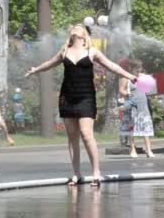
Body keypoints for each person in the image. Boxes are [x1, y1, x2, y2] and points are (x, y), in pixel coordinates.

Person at [25, 24, 136, 186]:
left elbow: (112, 65)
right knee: (72, 137)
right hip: (67, 97)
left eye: (78, 27)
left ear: (84, 34)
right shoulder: (64, 51)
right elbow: (49, 63)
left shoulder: (92, 51)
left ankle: (96, 172)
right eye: (73, 28)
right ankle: (76, 173)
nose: (75, 28)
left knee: (86, 134)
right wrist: (36, 69)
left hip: (86, 96)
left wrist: (130, 76)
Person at [119, 60, 155, 158]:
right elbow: (121, 90)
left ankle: (149, 150)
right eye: (138, 68)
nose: (140, 69)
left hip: (143, 106)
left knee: (146, 129)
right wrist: (128, 94)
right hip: (132, 106)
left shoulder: (142, 77)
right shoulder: (126, 77)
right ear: (132, 68)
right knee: (132, 129)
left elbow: (150, 87)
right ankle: (132, 150)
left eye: (140, 68)